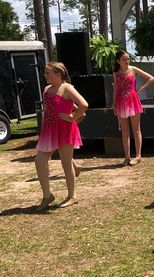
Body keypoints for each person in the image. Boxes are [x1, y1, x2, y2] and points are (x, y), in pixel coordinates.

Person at [35, 61, 88, 211]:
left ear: (58, 74)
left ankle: (72, 196)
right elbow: (48, 109)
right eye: (45, 72)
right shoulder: (46, 89)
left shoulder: (67, 87)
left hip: (65, 129)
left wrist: (73, 118)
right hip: (49, 130)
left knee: (65, 163)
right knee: (39, 160)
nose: (45, 75)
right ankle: (47, 196)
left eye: (47, 72)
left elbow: (84, 104)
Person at [113, 50, 154, 166]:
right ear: (118, 61)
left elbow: (151, 78)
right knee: (125, 131)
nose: (127, 61)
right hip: (121, 102)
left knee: (136, 129)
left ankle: (138, 155)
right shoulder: (116, 73)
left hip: (133, 101)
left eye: (128, 59)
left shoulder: (133, 69)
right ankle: (127, 157)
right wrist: (114, 104)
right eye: (124, 60)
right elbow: (115, 89)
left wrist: (141, 89)